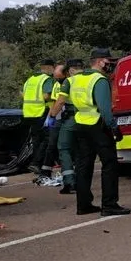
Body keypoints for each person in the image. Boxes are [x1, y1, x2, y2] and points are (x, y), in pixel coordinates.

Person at [70, 48, 130, 216]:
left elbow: (70, 101)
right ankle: (109, 204)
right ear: (100, 61)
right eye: (108, 61)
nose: (110, 64)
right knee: (110, 164)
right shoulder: (99, 80)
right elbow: (105, 109)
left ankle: (83, 205)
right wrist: (114, 128)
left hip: (80, 124)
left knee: (83, 166)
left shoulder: (76, 79)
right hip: (98, 125)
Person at [48, 59, 85, 194]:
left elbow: (60, 101)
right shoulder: (92, 79)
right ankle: (83, 182)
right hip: (89, 119)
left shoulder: (69, 81)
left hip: (71, 118)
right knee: (83, 150)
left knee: (64, 148)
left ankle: (70, 182)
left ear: (69, 70)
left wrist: (51, 116)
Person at [21, 59, 56, 177]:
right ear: (49, 67)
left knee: (36, 140)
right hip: (41, 112)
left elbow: (22, 94)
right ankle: (37, 163)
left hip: (28, 113)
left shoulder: (30, 79)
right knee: (46, 139)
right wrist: (55, 96)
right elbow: (46, 96)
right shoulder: (46, 79)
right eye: (53, 67)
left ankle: (36, 162)